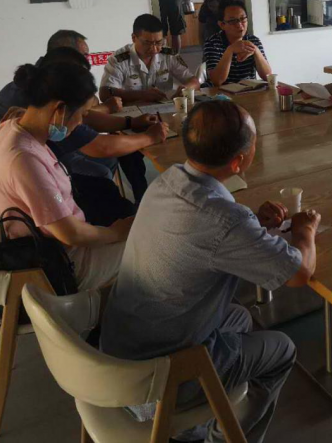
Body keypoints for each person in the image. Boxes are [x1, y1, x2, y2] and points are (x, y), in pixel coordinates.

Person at [101, 100, 319, 442]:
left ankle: (200, 421)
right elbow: (299, 273)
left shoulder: (167, 180)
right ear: (239, 161)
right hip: (156, 379)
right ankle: (217, 436)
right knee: (281, 350)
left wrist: (253, 222)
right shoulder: (226, 220)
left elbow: (208, 228)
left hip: (118, 352)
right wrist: (305, 229)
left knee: (240, 318)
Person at [0, 61, 134, 290]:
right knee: (153, 244)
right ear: (59, 110)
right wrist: (115, 233)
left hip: (56, 241)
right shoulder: (25, 160)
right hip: (64, 261)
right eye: (82, 114)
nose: (81, 122)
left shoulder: (12, 126)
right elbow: (71, 234)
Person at [0, 44, 167, 205]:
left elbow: (87, 118)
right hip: (1, 193)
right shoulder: (43, 119)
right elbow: (101, 147)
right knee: (102, 180)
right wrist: (150, 137)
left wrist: (130, 121)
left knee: (107, 186)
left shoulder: (32, 99)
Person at [100, 13, 201, 104]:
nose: (154, 48)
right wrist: (141, 95)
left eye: (159, 42)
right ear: (134, 38)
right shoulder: (119, 59)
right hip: (133, 111)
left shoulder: (168, 55)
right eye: (147, 43)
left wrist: (186, 89)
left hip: (164, 107)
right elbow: (104, 93)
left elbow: (194, 81)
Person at [203, 0, 272, 87]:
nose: (239, 24)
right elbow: (217, 81)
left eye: (243, 19)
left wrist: (255, 50)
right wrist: (230, 50)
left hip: (248, 91)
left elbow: (268, 77)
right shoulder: (212, 43)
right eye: (232, 21)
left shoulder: (253, 41)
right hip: (220, 93)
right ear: (222, 25)